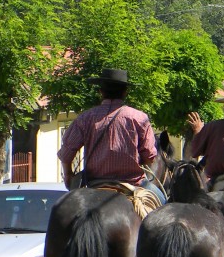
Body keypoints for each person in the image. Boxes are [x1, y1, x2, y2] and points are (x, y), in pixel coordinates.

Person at [57, 68, 166, 211]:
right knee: (163, 203)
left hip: (94, 183)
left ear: (101, 92)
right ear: (125, 91)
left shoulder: (85, 118)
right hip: (132, 183)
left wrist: (68, 175)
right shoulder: (139, 118)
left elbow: (66, 154)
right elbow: (150, 156)